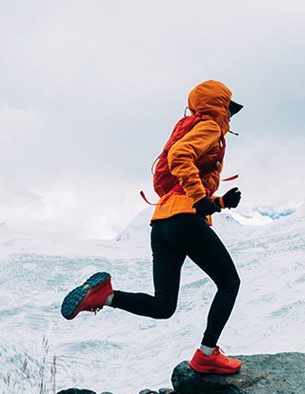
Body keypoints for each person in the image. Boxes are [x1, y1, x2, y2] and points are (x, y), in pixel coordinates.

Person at [61, 80, 244, 375]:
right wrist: (200, 199)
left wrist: (220, 202)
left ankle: (104, 296)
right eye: (229, 110)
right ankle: (207, 354)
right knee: (229, 283)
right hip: (185, 221)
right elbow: (180, 158)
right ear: (219, 107)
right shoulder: (209, 127)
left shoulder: (189, 126)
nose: (230, 117)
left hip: (162, 225)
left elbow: (181, 180)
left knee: (164, 306)